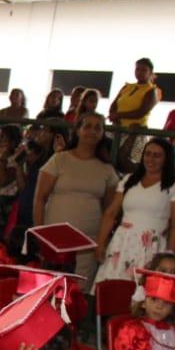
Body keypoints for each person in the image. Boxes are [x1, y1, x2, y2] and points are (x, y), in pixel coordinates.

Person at [32, 112, 119, 281]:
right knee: (51, 289)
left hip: (87, 244)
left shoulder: (106, 169)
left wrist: (102, 241)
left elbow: (109, 210)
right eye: (87, 126)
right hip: (54, 240)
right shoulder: (59, 159)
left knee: (78, 293)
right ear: (77, 130)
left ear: (102, 134)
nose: (92, 131)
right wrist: (39, 234)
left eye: (97, 128)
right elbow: (40, 199)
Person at [94, 138, 175, 283]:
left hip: (153, 247)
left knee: (143, 293)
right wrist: (100, 243)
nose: (151, 159)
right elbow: (110, 213)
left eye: (157, 155)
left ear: (167, 159)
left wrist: (169, 256)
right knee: (113, 291)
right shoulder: (128, 180)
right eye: (148, 154)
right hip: (122, 243)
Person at [108, 58, 159, 165]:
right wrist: (113, 116)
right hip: (118, 128)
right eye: (137, 69)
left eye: (144, 70)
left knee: (127, 162)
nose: (140, 72)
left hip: (136, 131)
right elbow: (114, 104)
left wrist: (119, 115)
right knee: (107, 156)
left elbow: (142, 111)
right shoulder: (126, 87)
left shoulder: (151, 90)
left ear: (150, 73)